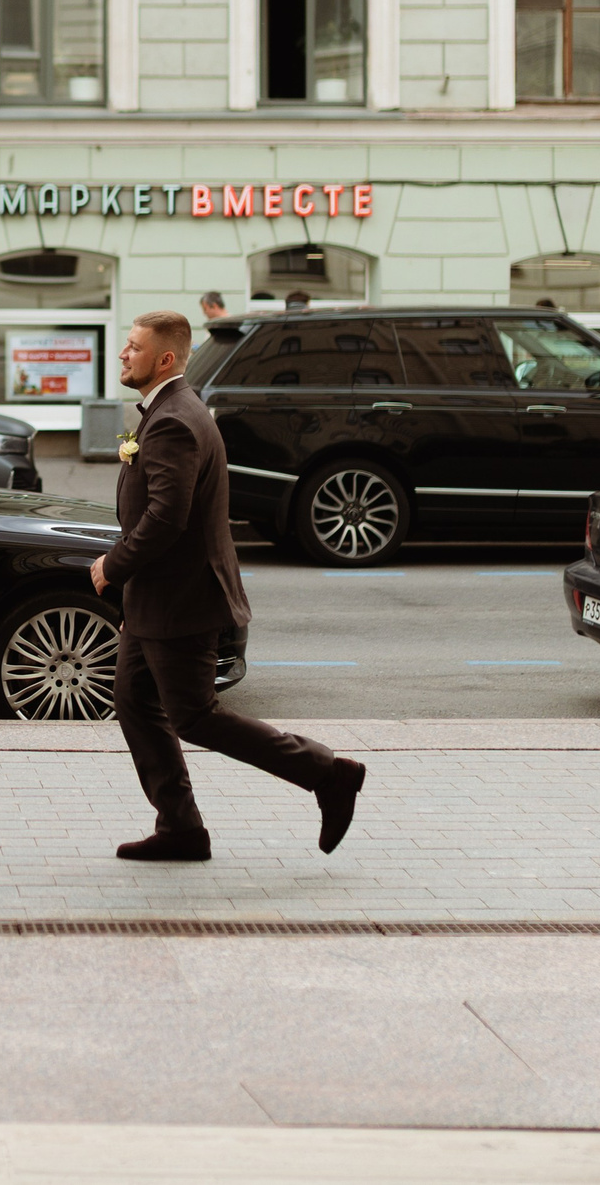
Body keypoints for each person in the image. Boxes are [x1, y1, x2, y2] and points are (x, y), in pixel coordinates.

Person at [91, 310, 367, 861]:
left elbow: (168, 517)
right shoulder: (170, 409)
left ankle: (328, 773)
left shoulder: (173, 420)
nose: (123, 354)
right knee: (133, 700)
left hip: (183, 599)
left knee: (195, 716)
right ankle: (181, 828)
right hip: (158, 599)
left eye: (133, 347)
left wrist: (112, 566)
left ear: (164, 359)